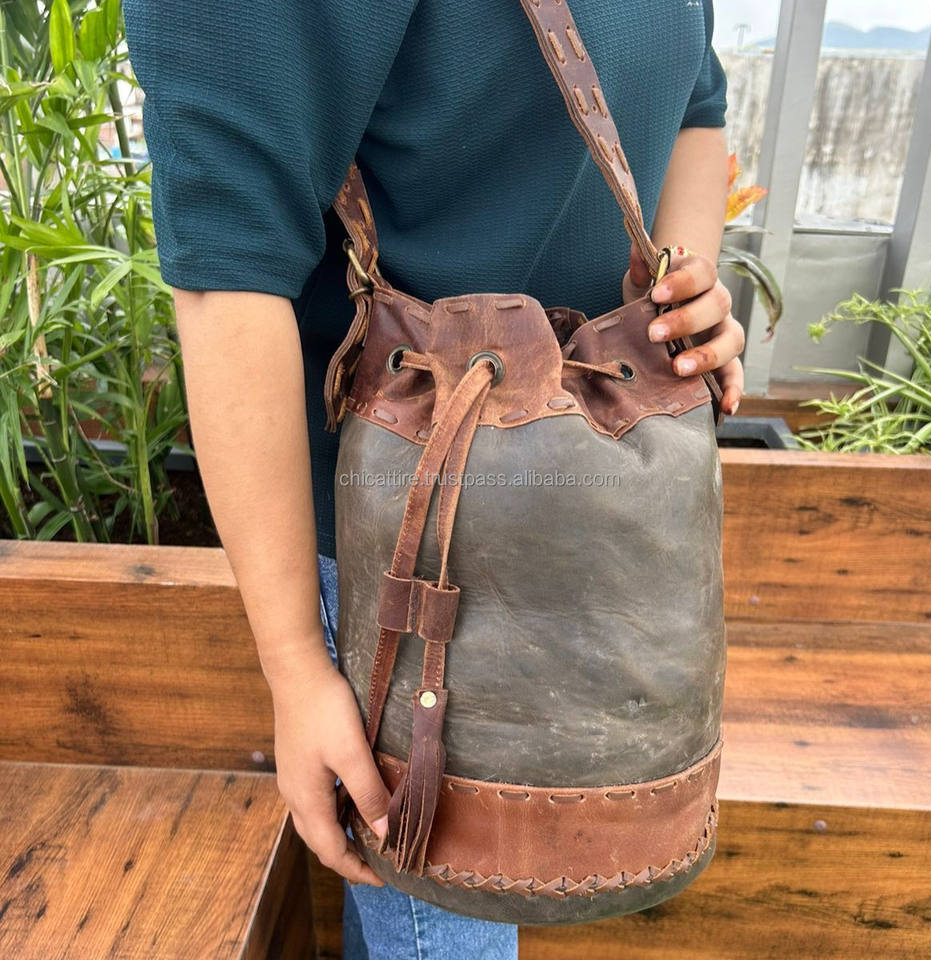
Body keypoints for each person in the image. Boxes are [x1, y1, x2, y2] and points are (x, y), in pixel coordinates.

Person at [124, 1, 744, 956]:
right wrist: (296, 662)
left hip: (611, 526)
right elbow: (226, 263)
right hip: (411, 554)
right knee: (444, 925)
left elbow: (697, 98)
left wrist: (672, 295)